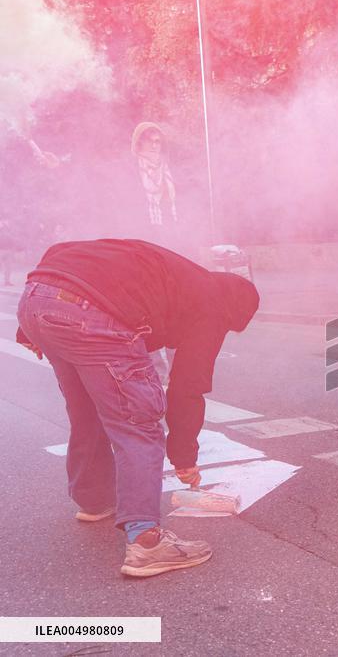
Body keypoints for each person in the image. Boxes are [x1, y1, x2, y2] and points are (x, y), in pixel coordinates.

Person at [15, 239, 260, 577]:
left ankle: (94, 499)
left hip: (36, 299)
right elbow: (188, 387)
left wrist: (30, 325)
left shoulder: (181, 277)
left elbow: (62, 253)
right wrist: (183, 456)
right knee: (138, 424)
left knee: (87, 411)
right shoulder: (213, 305)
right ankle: (146, 543)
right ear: (236, 311)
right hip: (96, 318)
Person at [130, 122, 179, 247]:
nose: (154, 145)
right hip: (142, 235)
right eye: (149, 141)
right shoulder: (130, 169)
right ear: (139, 143)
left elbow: (181, 202)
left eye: (157, 142)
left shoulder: (171, 169)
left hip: (171, 231)